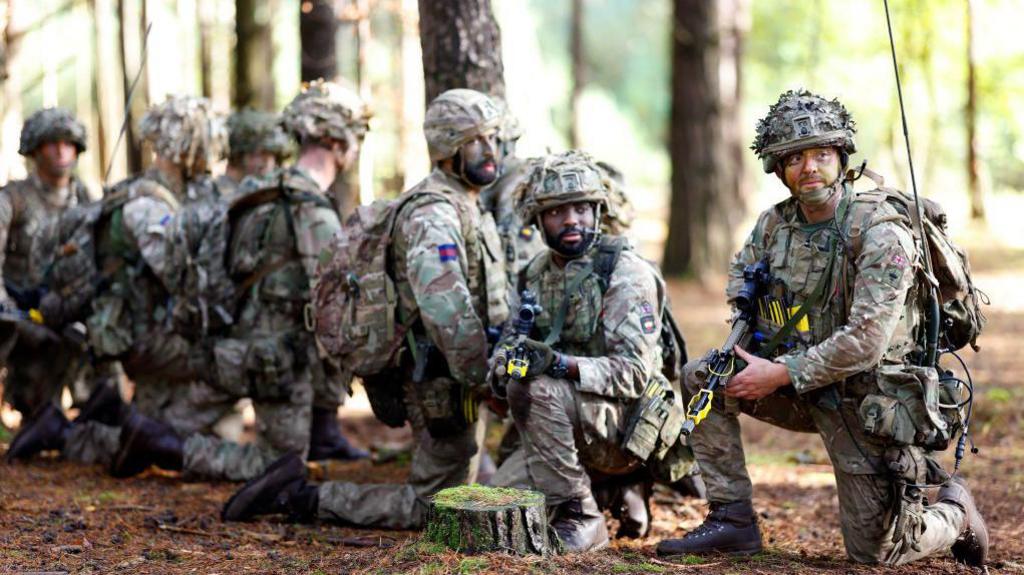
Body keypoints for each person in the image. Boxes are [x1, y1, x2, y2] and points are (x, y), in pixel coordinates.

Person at [656, 89, 988, 566]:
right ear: (778, 168)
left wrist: (779, 373)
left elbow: (867, 342)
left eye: (821, 154)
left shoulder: (879, 230)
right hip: (802, 385)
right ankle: (733, 520)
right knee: (703, 377)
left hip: (868, 398)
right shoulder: (774, 226)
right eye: (794, 158)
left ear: (841, 158)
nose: (809, 167)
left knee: (877, 550)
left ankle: (955, 512)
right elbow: (746, 294)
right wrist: (755, 354)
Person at [220, 88, 509, 528]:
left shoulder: (466, 204)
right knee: (437, 510)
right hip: (440, 380)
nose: (491, 151)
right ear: (448, 148)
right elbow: (444, 307)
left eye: (494, 138)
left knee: (458, 494)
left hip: (460, 376)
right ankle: (299, 498)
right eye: (476, 141)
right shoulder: (434, 213)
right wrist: (483, 376)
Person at [108, 80, 371, 480]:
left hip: (232, 349)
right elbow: (333, 308)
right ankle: (165, 447)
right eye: (355, 139)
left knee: (175, 418)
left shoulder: (257, 193)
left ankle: (133, 433)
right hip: (276, 364)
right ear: (336, 141)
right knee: (281, 468)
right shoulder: (310, 209)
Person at [485, 150, 691, 552]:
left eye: (581, 208)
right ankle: (612, 491)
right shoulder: (533, 274)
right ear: (538, 220)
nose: (571, 220)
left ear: (597, 212)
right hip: (563, 425)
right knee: (496, 508)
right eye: (557, 212)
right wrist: (503, 367)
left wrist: (559, 364)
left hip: (626, 425)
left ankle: (583, 515)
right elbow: (507, 348)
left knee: (536, 388)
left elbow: (633, 373)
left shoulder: (623, 271)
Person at [7, 96, 230, 467]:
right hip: (142, 338)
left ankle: (72, 432)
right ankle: (79, 427)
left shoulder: (165, 194)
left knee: (160, 437)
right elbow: (183, 278)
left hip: (143, 331)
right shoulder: (146, 204)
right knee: (235, 365)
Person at [0, 108, 93, 426]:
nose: (61, 150)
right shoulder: (13, 199)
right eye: (51, 143)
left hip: (69, 316)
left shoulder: (84, 198)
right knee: (36, 407)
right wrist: (15, 314)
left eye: (68, 143)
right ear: (35, 149)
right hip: (20, 320)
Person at [219, 109, 291, 197]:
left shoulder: (282, 187)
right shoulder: (219, 192)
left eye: (272, 153)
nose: (267, 160)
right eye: (260, 153)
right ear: (239, 157)